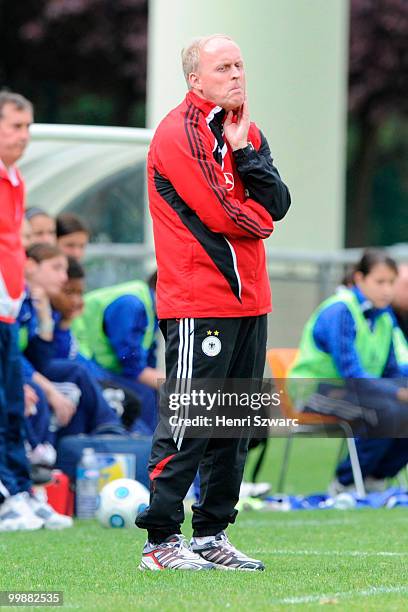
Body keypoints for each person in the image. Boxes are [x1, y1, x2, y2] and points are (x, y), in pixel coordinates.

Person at [135, 35, 291, 571]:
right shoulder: (178, 133)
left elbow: (279, 202)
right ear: (195, 79)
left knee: (234, 424)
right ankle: (159, 543)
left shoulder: (245, 132)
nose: (236, 75)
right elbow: (226, 213)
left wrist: (247, 151)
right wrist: (261, 221)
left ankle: (211, 535)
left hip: (251, 300)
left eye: (239, 65)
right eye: (223, 67)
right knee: (190, 419)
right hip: (198, 299)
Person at [0, 90, 71, 531]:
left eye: (28, 128)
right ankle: (7, 494)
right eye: (14, 126)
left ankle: (20, 490)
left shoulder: (16, 179)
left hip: (8, 307)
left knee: (11, 405)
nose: (24, 136)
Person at [288, 250, 408, 494]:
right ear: (359, 279)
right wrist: (396, 393)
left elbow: (392, 370)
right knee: (385, 410)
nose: (387, 290)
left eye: (391, 282)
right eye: (380, 282)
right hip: (316, 392)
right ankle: (345, 482)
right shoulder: (340, 310)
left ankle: (376, 477)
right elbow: (350, 372)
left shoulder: (384, 316)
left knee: (395, 408)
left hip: (356, 392)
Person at [70, 272, 163, 435]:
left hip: (100, 365)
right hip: (82, 360)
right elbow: (130, 363)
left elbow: (147, 359)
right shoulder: (131, 304)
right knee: (144, 394)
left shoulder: (150, 307)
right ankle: (146, 448)